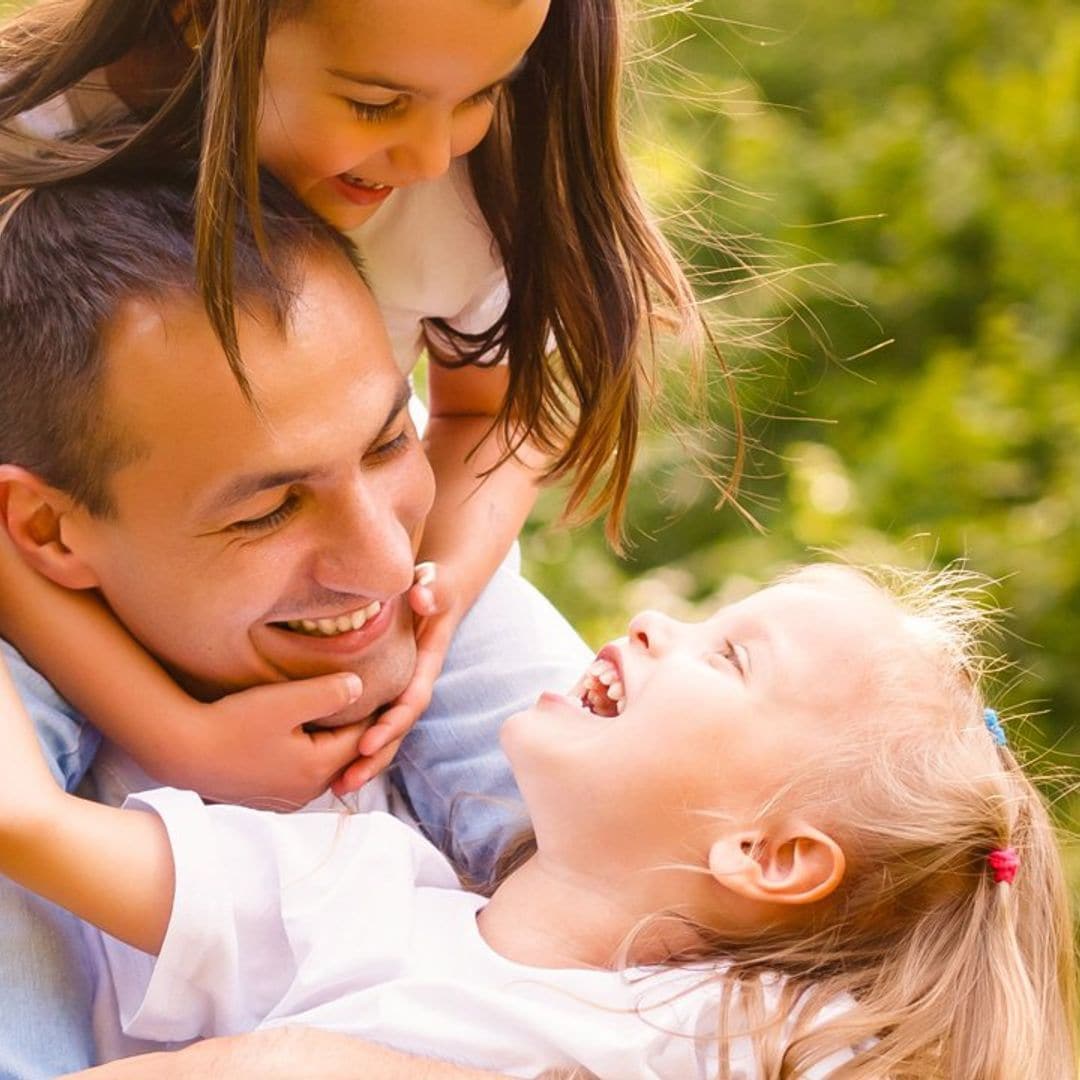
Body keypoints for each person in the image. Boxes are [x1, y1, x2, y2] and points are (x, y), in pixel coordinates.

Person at [0, 0, 725, 798]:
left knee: (604, 796)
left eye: (486, 93)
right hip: (48, 562)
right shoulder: (29, 125)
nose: (428, 156)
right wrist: (168, 731)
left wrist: (437, 595)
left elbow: (496, 411)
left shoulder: (459, 169)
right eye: (376, 104)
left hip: (386, 527)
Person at [0, 561, 1073, 1079]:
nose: (656, 622)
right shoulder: (352, 889)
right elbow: (28, 823)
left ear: (771, 855)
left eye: (730, 656)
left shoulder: (737, 1032)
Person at [0, 175, 590, 1078]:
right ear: (46, 530)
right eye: (270, 510)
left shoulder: (483, 655)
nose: (391, 566)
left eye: (392, 442)